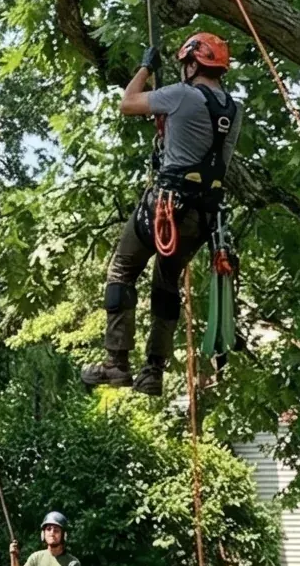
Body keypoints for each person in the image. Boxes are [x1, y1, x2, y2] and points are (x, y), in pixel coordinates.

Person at [81, 31, 240, 397]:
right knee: (166, 285)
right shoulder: (233, 109)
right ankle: (153, 371)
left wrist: (146, 67)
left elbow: (128, 103)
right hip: (202, 217)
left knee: (122, 269)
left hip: (166, 205)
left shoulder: (182, 94)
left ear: (191, 63)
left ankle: (116, 362)